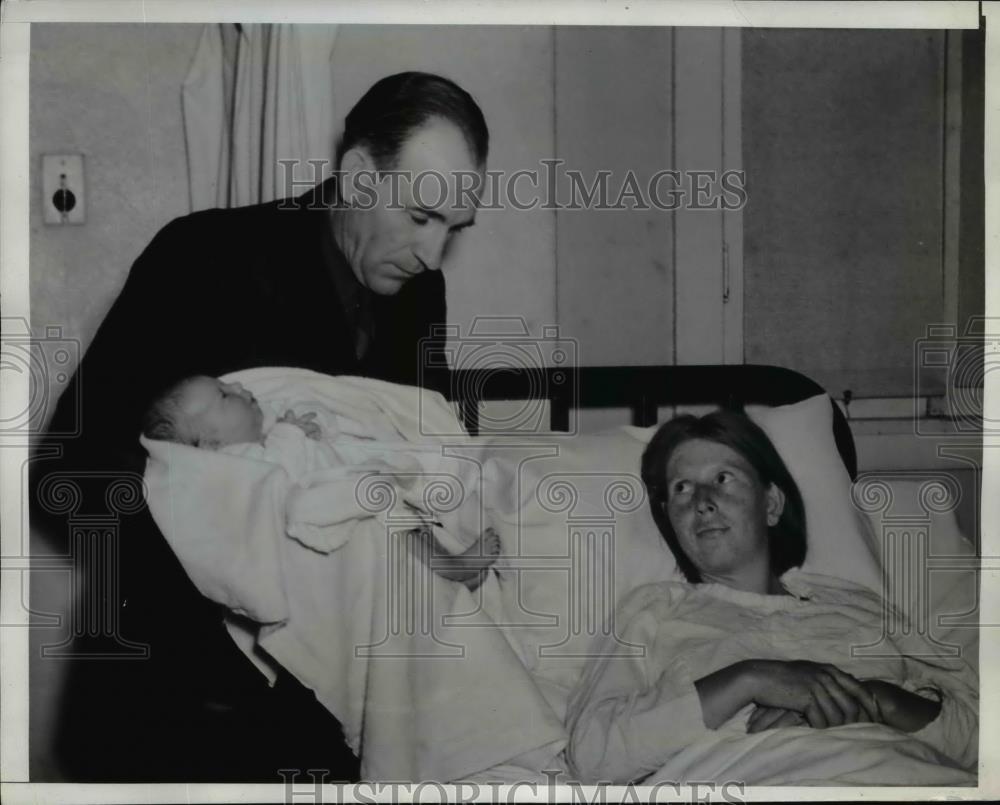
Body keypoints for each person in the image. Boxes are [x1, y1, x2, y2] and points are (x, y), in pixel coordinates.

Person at [32, 72, 489, 781]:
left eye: (453, 230)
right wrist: (236, 545)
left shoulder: (420, 294)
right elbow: (65, 476)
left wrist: (445, 543)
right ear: (360, 175)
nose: (432, 254)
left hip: (341, 708)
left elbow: (408, 456)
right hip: (182, 703)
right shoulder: (204, 256)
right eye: (421, 217)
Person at [565, 409, 978, 785]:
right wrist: (754, 679)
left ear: (772, 503)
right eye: (682, 488)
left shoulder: (857, 606)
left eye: (723, 479)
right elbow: (593, 755)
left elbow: (978, 740)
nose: (703, 503)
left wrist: (870, 699)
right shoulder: (653, 612)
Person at [141, 374, 501, 588]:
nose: (238, 385)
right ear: (211, 444)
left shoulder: (270, 424)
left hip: (344, 485)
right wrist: (290, 434)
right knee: (388, 512)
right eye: (224, 395)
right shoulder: (237, 465)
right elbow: (277, 480)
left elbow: (326, 431)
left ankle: (448, 562)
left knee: (399, 509)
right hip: (323, 512)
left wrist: (313, 423)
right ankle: (451, 567)